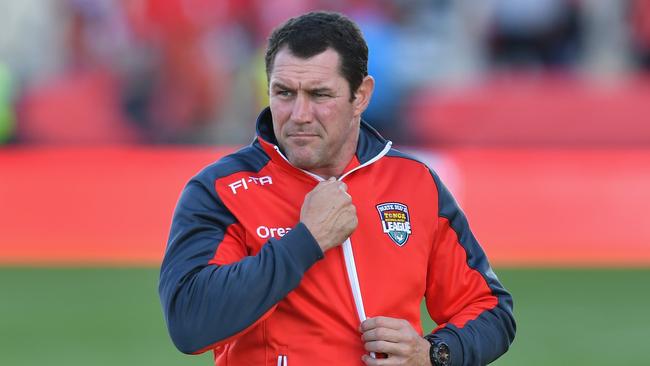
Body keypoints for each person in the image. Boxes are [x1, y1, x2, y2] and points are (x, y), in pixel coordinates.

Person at [159, 11, 515, 366]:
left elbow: (490, 310)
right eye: (284, 93)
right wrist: (305, 241)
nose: (299, 114)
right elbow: (190, 324)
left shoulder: (415, 181)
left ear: (361, 95)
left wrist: (434, 354)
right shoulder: (220, 189)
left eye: (319, 95)